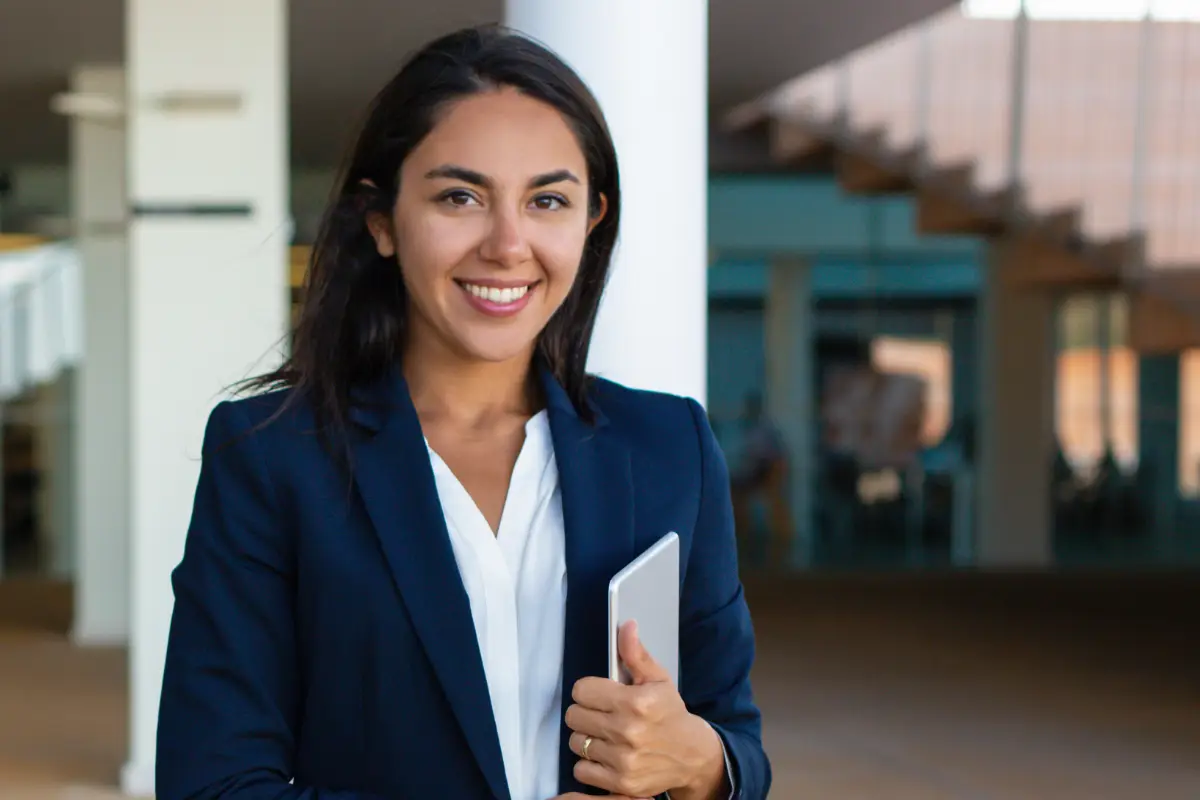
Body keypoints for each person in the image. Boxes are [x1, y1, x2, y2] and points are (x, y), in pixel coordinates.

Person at [155, 24, 769, 800]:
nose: (508, 244)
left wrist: (702, 763)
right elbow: (211, 784)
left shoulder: (669, 448)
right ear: (381, 221)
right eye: (460, 197)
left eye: (548, 199)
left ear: (591, 220)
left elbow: (734, 739)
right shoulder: (274, 457)